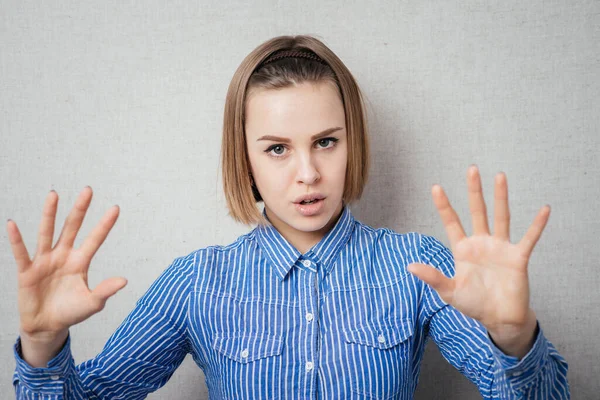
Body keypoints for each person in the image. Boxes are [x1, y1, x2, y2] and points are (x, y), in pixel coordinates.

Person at [8, 35, 569, 399]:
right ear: (245, 158)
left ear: (353, 143)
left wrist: (515, 338)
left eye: (325, 141)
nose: (307, 173)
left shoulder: (418, 268)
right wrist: (41, 346)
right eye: (277, 148)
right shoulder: (197, 282)